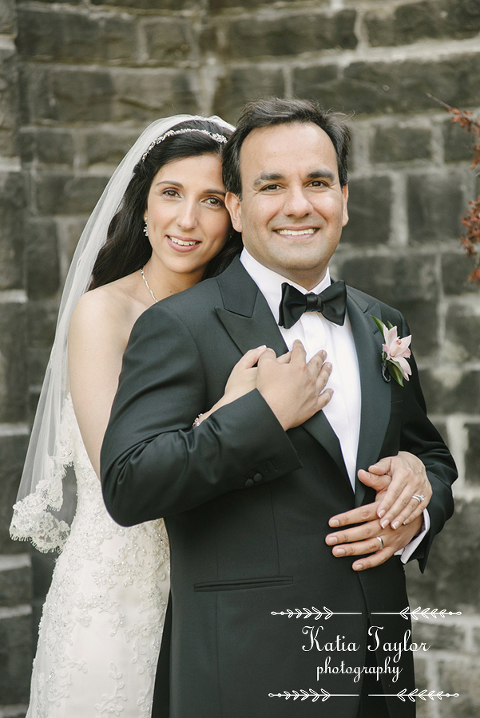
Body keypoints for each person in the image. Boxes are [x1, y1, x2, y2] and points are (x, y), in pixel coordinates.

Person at [100, 98, 457, 718]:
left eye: (317, 182)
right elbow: (129, 484)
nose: (299, 205)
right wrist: (262, 417)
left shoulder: (382, 324)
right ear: (236, 208)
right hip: (247, 675)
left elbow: (428, 453)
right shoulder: (178, 326)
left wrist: (419, 496)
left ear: (344, 198)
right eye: (271, 186)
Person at [9, 114, 250, 717]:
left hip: (213, 594)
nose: (187, 220)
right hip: (112, 594)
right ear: (142, 205)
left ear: (236, 214)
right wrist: (237, 410)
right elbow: (120, 466)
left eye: (212, 200)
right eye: (171, 194)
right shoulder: (102, 314)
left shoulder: (241, 314)